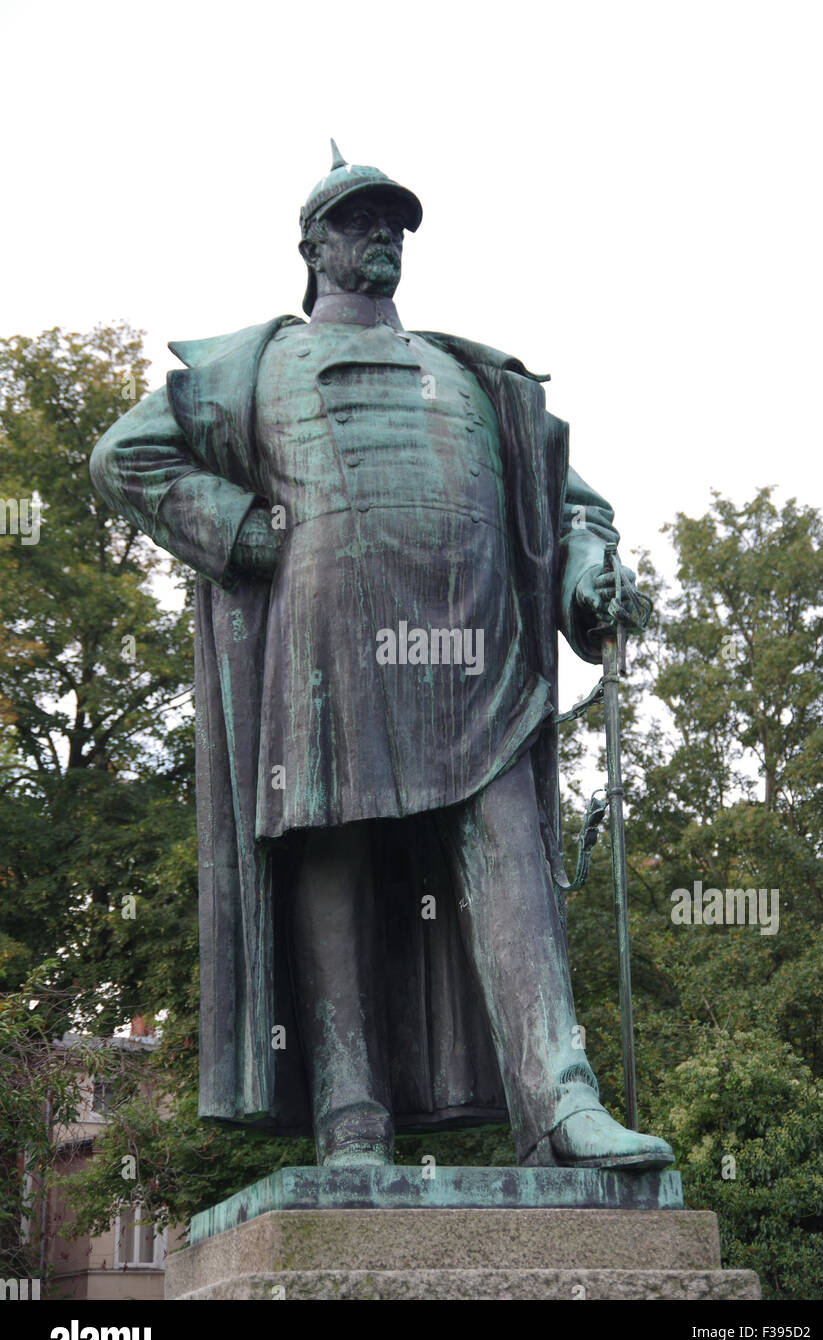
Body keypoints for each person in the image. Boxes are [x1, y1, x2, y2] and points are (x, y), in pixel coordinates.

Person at [90, 142, 673, 1171]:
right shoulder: (253, 363)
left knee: (513, 857)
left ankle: (561, 1102)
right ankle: (351, 1116)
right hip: (327, 645)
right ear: (312, 244)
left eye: (395, 224)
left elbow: (575, 508)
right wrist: (239, 531)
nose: (383, 237)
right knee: (337, 856)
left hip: (481, 656)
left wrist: (590, 574)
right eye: (361, 222)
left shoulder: (473, 373)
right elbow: (122, 457)